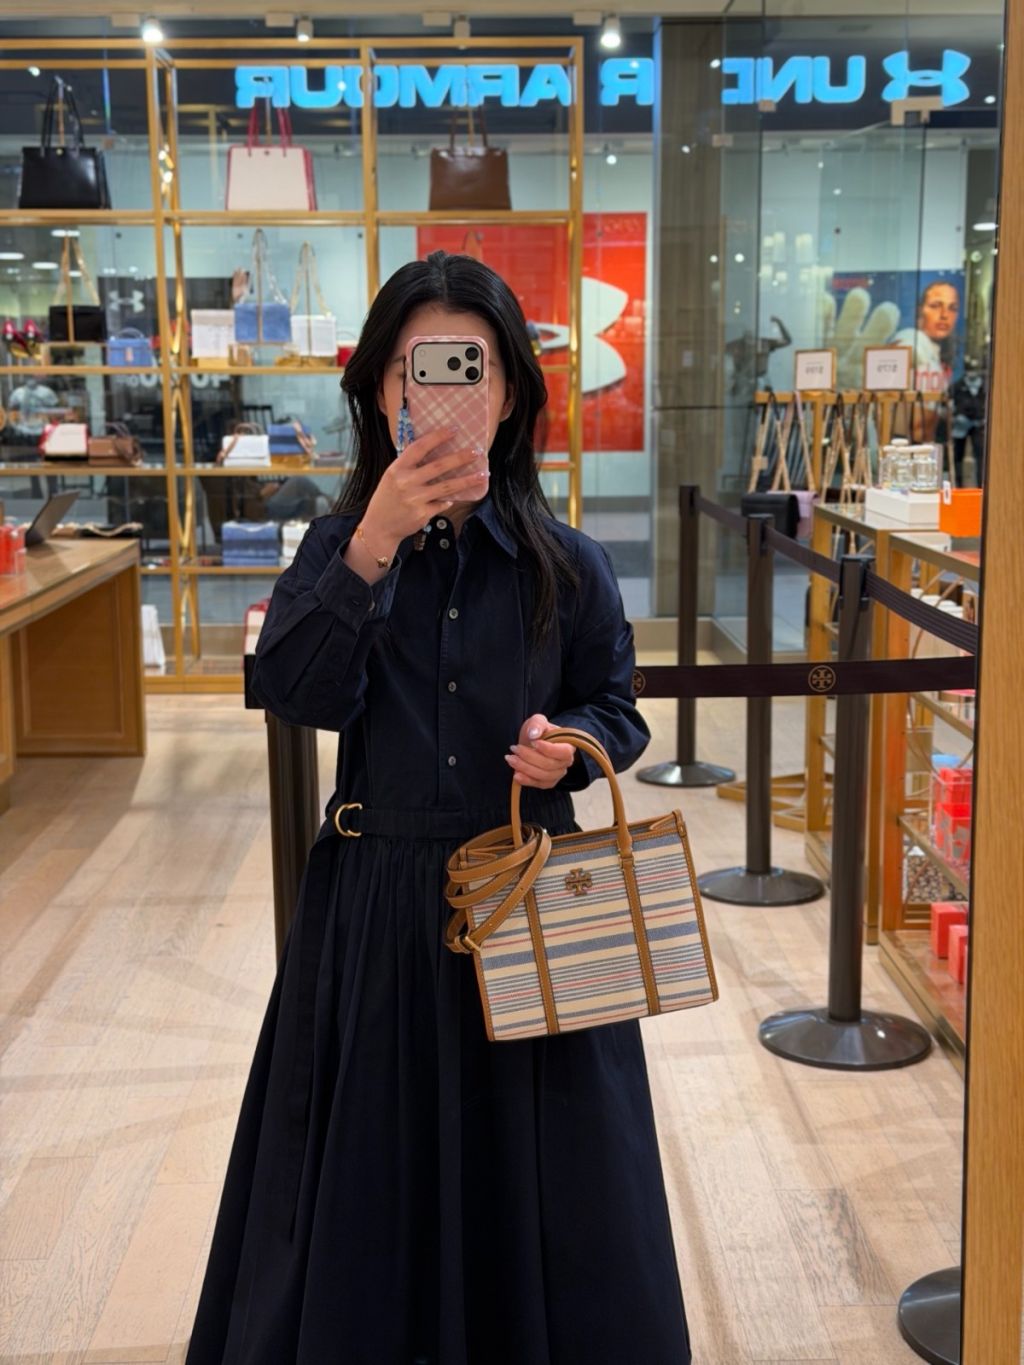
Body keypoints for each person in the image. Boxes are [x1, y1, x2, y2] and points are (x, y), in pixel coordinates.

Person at [184, 250, 692, 1365]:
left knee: (552, 1185)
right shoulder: (340, 549)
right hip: (375, 916)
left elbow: (618, 708)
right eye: (421, 369)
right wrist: (371, 546)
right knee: (371, 1179)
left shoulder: (567, 564)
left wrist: (572, 746)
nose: (449, 394)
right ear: (381, 390)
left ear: (509, 395)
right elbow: (293, 694)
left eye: (475, 368)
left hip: (531, 899)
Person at [893, 279, 961, 393]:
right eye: (935, 306)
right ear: (920, 311)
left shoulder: (940, 351)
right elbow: (904, 348)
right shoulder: (910, 338)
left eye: (952, 308)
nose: (944, 315)